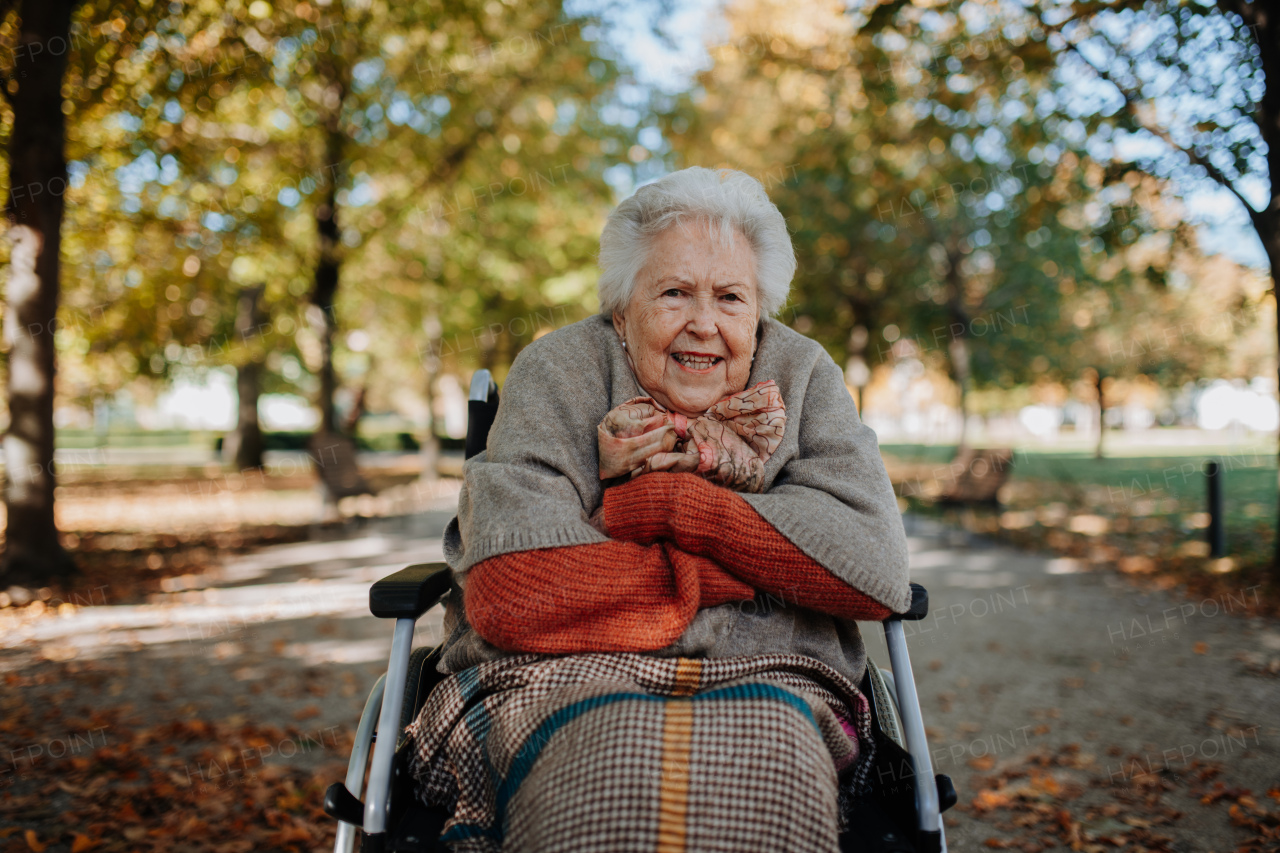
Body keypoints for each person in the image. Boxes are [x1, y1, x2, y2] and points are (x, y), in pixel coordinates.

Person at [406, 166, 911, 852]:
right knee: (602, 761)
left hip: (775, 682)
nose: (704, 323)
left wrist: (670, 506)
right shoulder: (558, 371)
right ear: (621, 309)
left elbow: (875, 570)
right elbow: (512, 591)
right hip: (553, 679)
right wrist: (744, 573)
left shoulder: (805, 374)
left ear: (759, 309)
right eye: (674, 292)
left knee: (768, 764)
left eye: (731, 297)